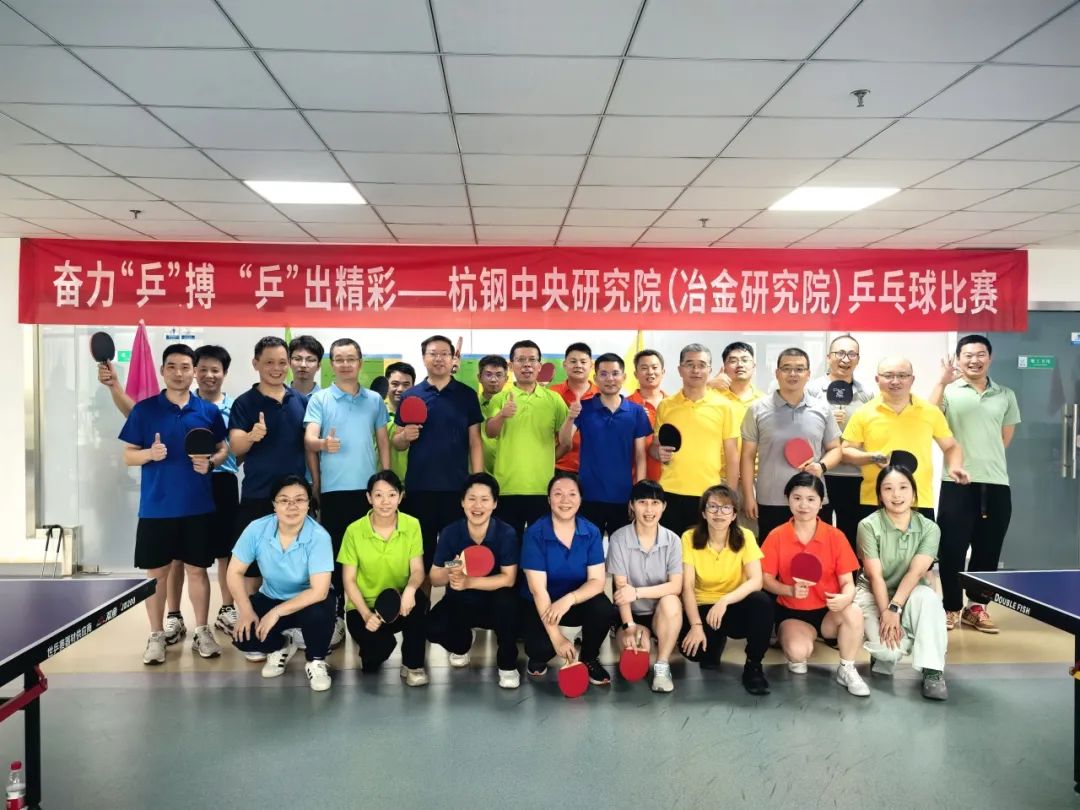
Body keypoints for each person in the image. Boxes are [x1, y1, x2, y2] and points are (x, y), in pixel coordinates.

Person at [119, 344, 228, 664]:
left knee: (198, 571)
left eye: (185, 367)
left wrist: (211, 462)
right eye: (172, 367)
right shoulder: (145, 410)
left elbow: (222, 448)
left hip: (198, 506)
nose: (179, 373)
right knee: (157, 575)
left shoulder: (207, 411)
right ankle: (156, 635)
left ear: (194, 371)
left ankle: (202, 631)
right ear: (163, 371)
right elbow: (128, 456)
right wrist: (149, 454)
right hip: (156, 508)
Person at [929, 335, 1020, 634]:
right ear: (958, 359)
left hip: (996, 483)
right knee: (952, 548)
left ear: (989, 358)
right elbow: (927, 418)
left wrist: (985, 461)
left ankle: (977, 607)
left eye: (981, 354)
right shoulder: (949, 392)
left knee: (988, 549)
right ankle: (951, 607)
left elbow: (1004, 438)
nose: (974, 360)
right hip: (956, 481)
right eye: (967, 355)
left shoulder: (1005, 394)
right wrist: (941, 382)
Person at [304, 338, 390, 647]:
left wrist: (387, 480)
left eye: (350, 359)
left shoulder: (374, 401)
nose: (344, 364)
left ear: (360, 362)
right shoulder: (320, 399)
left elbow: (383, 442)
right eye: (338, 359)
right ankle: (338, 614)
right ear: (331, 364)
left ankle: (364, 610)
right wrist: (323, 444)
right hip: (335, 491)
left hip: (368, 493)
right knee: (338, 555)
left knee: (367, 555)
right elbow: (309, 440)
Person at [761, 472, 870, 698]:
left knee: (854, 611)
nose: (803, 505)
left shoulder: (835, 537)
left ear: (821, 503)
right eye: (797, 498)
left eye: (811, 499)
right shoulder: (776, 536)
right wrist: (788, 590)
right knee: (798, 654)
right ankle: (794, 640)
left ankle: (847, 668)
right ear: (788, 500)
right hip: (793, 612)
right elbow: (765, 579)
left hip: (828, 612)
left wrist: (845, 598)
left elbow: (848, 583)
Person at [227, 475, 334, 692]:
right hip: (271, 595)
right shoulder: (257, 529)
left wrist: (276, 613)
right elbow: (234, 572)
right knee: (244, 637)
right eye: (284, 500)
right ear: (274, 504)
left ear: (308, 504)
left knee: (318, 615)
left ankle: (316, 660)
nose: (292, 506)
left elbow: (319, 591)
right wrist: (246, 610)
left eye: (299, 499)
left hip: (309, 600)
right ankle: (282, 646)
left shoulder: (319, 536)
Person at [854, 466, 949, 700]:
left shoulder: (930, 528)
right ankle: (890, 648)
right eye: (888, 489)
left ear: (914, 493)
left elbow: (916, 572)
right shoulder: (868, 525)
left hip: (912, 590)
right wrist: (885, 612)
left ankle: (932, 670)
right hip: (874, 592)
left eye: (903, 487)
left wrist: (894, 609)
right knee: (888, 654)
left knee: (930, 600)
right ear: (880, 495)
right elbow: (875, 576)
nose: (896, 495)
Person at [393, 334, 484, 573]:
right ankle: (422, 596)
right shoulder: (411, 395)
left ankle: (453, 591)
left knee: (456, 554)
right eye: (433, 354)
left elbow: (475, 441)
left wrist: (478, 482)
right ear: (424, 358)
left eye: (444, 354)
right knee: (422, 553)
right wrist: (405, 436)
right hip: (420, 489)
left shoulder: (467, 395)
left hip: (457, 489)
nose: (439, 358)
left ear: (453, 358)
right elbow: (398, 443)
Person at [842, 355, 971, 522]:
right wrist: (872, 457)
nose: (895, 381)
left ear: (912, 379)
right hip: (875, 500)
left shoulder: (930, 411)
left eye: (902, 375)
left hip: (919, 499)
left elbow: (951, 446)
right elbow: (845, 451)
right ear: (877, 379)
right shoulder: (863, 413)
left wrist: (955, 466)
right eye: (888, 375)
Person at [519, 472, 616, 685]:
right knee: (540, 649)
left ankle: (589, 657)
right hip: (542, 604)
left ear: (580, 499)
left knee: (603, 608)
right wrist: (557, 639)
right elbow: (538, 590)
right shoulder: (535, 533)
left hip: (575, 601)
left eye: (572, 494)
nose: (565, 500)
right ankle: (542, 653)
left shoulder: (591, 532)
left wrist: (569, 599)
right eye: (558, 494)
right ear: (549, 500)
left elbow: (597, 582)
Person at [427, 473, 521, 688]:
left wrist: (469, 582)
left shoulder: (506, 533)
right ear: (462, 502)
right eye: (471, 498)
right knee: (432, 627)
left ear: (495, 503)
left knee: (509, 604)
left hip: (496, 602)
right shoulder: (450, 533)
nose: (477, 505)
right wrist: (454, 566)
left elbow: (509, 578)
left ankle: (507, 665)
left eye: (484, 499)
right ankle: (461, 644)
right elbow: (435, 577)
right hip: (462, 601)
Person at [741, 348, 844, 543]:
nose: (793, 374)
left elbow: (835, 449)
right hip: (770, 499)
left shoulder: (822, 409)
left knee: (815, 554)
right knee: (772, 556)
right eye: (786, 368)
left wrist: (821, 466)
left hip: (813, 499)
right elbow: (747, 456)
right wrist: (748, 496)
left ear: (808, 374)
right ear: (777, 373)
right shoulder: (757, 409)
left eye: (799, 369)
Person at [679, 484, 773, 695]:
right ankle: (715, 642)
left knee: (761, 601)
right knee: (697, 653)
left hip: (734, 605)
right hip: (704, 606)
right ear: (704, 513)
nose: (719, 513)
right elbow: (687, 587)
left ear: (734, 515)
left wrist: (725, 601)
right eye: (712, 507)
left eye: (726, 508)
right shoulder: (689, 537)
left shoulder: (746, 536)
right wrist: (696, 626)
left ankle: (754, 666)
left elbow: (756, 581)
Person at [229, 337, 310, 584]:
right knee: (252, 570)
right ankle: (250, 610)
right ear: (256, 364)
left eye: (282, 362)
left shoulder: (301, 401)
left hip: (295, 500)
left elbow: (309, 448)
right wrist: (251, 436)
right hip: (258, 495)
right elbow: (235, 446)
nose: (277, 368)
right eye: (269, 362)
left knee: (293, 569)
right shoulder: (244, 403)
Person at [338, 471, 429, 686]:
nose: (385, 501)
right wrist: (366, 614)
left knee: (419, 602)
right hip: (364, 607)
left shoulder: (412, 525)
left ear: (401, 497)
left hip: (398, 602)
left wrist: (410, 591)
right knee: (375, 657)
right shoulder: (354, 530)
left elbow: (418, 570)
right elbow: (348, 580)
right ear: (369, 498)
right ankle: (374, 648)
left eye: (391, 495)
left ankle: (413, 665)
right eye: (378, 495)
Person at [559, 353, 652, 537]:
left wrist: (638, 497)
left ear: (624, 377)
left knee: (623, 551)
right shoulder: (583, 408)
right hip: (588, 496)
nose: (610, 379)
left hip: (623, 497)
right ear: (595, 378)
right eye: (603, 374)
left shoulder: (636, 412)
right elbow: (564, 441)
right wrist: (570, 417)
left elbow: (641, 456)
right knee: (588, 549)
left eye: (615, 373)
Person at [652, 344, 739, 536]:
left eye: (701, 365)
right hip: (669, 491)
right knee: (671, 551)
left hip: (708, 494)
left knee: (703, 551)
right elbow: (655, 447)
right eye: (689, 364)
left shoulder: (724, 406)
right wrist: (657, 452)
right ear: (679, 369)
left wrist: (730, 497)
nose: (696, 370)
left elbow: (732, 455)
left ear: (710, 369)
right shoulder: (666, 405)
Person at [486, 340, 571, 539]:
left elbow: (566, 442)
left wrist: (548, 458)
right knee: (508, 546)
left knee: (540, 545)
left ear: (539, 366)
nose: (527, 365)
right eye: (521, 360)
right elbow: (490, 432)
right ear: (511, 365)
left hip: (543, 488)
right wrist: (502, 415)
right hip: (506, 487)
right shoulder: (500, 398)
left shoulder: (554, 400)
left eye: (532, 360)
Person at [607, 480, 683, 693]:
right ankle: (642, 636)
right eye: (642, 502)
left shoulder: (673, 540)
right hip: (631, 614)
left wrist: (637, 592)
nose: (649, 510)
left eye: (655, 503)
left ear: (664, 506)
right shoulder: (619, 538)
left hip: (661, 612)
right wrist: (629, 626)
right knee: (637, 656)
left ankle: (662, 665)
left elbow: (675, 586)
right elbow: (621, 589)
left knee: (671, 601)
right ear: (632, 505)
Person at [807, 334, 874, 552]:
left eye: (852, 354)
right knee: (819, 535)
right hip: (821, 472)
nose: (845, 359)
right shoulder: (811, 390)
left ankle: (851, 575)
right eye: (840, 353)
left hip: (855, 476)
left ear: (858, 359)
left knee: (852, 537)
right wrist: (826, 420)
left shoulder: (866, 394)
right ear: (829, 357)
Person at [192, 345, 242, 637]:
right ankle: (177, 615)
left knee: (226, 552)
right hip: (190, 484)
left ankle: (226, 609)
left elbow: (239, 449)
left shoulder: (236, 407)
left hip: (224, 482)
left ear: (224, 373)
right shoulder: (184, 404)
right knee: (188, 554)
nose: (209, 375)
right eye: (203, 369)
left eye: (215, 370)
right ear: (195, 371)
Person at [550, 342, 598, 473]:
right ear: (565, 364)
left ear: (591, 365)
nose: (578, 365)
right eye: (573, 361)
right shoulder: (552, 393)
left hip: (594, 469)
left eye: (583, 362)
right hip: (558, 467)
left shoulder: (602, 395)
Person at [709, 341, 767, 436]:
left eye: (745, 360)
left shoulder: (763, 401)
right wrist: (708, 384)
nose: (740, 365)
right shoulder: (712, 396)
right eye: (733, 361)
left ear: (754, 366)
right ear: (724, 367)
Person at [628, 349, 667, 484]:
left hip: (670, 483)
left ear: (663, 372)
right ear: (636, 374)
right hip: (635, 482)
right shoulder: (625, 406)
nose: (650, 372)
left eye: (654, 367)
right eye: (644, 368)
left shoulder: (675, 405)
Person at [384, 361, 416, 483]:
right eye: (395, 384)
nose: (400, 389)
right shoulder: (376, 412)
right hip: (383, 485)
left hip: (413, 484)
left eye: (406, 385)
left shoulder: (420, 416)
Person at [477, 355, 508, 475]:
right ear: (479, 377)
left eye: (499, 375)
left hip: (509, 474)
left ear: (506, 378)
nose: (493, 379)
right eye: (488, 374)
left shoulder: (516, 405)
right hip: (478, 475)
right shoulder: (470, 405)